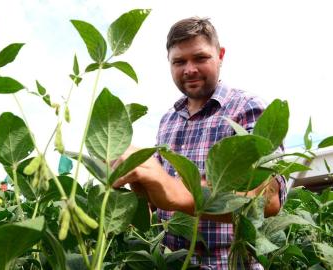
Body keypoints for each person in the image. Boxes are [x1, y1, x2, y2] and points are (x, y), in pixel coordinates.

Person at [112, 16, 287, 269]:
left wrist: (173, 190)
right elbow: (158, 197)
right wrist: (135, 186)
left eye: (200, 58)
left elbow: (267, 199)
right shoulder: (168, 121)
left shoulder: (246, 108)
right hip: (171, 262)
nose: (189, 69)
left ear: (220, 55)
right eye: (179, 61)